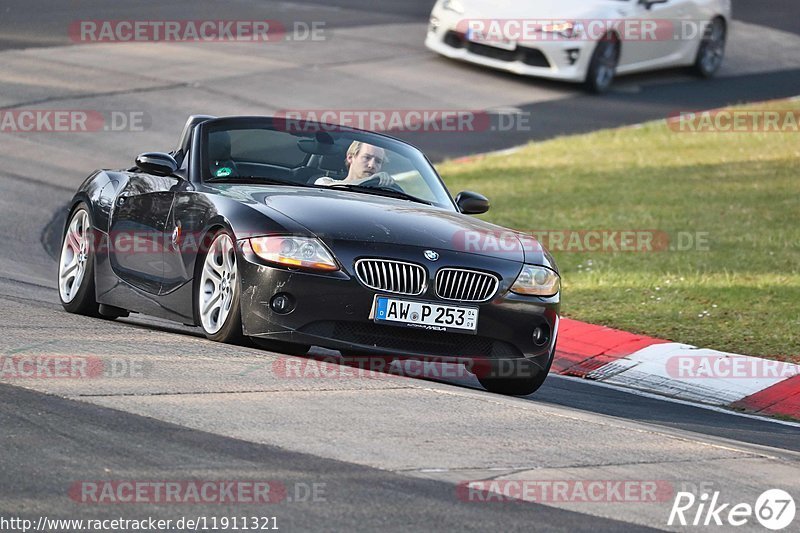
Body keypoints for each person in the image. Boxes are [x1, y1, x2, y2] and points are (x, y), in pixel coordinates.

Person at [315, 141, 397, 188]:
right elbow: (328, 188)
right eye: (367, 158)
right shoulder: (325, 181)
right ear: (350, 157)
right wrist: (370, 180)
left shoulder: (383, 195)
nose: (371, 165)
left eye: (378, 161)